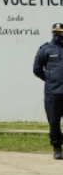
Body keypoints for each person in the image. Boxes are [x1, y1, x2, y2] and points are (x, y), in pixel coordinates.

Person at [33, 22, 63, 160]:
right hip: (53, 93)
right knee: (54, 122)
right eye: (55, 32)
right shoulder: (46, 49)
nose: (58, 35)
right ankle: (57, 148)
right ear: (52, 33)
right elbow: (37, 69)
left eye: (60, 32)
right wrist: (49, 79)